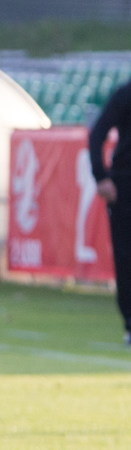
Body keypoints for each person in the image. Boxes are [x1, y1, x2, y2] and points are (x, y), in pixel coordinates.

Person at [88, 77, 131, 342]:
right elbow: (97, 132)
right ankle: (130, 322)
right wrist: (101, 176)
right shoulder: (126, 94)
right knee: (126, 257)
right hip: (126, 186)